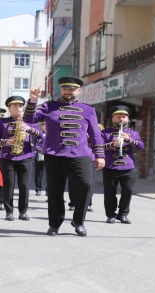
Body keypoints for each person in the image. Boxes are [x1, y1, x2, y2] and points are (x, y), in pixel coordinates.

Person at [24, 77, 105, 236]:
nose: (67, 92)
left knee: (86, 185)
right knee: (55, 191)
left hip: (80, 154)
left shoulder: (88, 110)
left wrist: (100, 155)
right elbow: (29, 119)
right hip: (55, 154)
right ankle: (55, 223)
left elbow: (95, 134)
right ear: (61, 90)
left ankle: (79, 221)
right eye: (64, 89)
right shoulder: (49, 106)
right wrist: (33, 100)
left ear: (79, 91)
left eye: (71, 89)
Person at [0, 96, 42, 221]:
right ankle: (9, 211)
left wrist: (29, 129)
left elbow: (41, 135)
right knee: (8, 185)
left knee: (24, 185)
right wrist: (7, 142)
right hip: (7, 157)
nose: (18, 108)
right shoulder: (2, 122)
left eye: (20, 106)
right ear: (9, 108)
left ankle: (23, 211)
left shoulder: (30, 120)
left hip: (26, 156)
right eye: (15, 106)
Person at [101, 105, 145, 224]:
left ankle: (123, 214)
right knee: (110, 192)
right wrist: (112, 144)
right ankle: (110, 214)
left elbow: (141, 146)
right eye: (118, 117)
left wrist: (129, 140)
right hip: (111, 167)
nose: (121, 119)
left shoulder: (133, 133)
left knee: (128, 191)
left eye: (124, 117)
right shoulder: (105, 133)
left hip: (128, 167)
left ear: (128, 119)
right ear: (113, 118)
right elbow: (98, 147)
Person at [33, 121, 46, 196]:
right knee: (38, 173)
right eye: (42, 125)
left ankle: (48, 190)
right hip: (39, 154)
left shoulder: (51, 133)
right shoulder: (38, 134)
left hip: (48, 155)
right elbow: (34, 143)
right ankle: (38, 189)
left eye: (44, 125)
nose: (42, 126)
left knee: (49, 174)